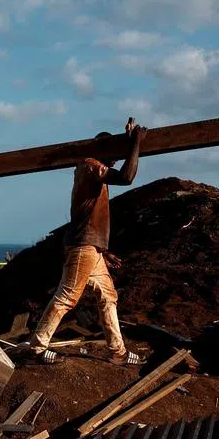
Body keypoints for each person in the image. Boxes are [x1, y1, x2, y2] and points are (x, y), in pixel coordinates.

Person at [20, 117, 146, 366]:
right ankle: (36, 349)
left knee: (108, 296)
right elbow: (127, 177)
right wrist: (136, 143)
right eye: (112, 153)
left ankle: (117, 351)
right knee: (66, 297)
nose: (115, 159)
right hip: (82, 246)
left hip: (92, 249)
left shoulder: (96, 171)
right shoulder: (89, 165)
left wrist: (103, 251)